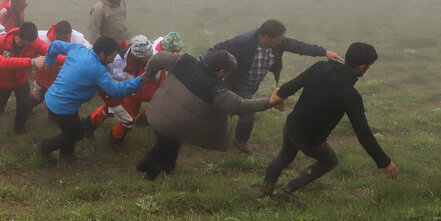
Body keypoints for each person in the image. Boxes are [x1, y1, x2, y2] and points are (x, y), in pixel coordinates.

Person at [259, 42, 399, 203]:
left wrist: (279, 96)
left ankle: (265, 190)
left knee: (285, 155)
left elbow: (292, 85)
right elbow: (363, 134)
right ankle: (287, 190)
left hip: (292, 125)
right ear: (361, 67)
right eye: (368, 66)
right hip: (311, 140)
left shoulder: (320, 67)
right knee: (329, 160)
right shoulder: (351, 96)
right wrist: (385, 162)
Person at [137, 50, 283, 181]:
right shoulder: (217, 89)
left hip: (157, 113)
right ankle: (152, 176)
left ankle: (144, 165)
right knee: (169, 149)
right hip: (176, 127)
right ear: (221, 72)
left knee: (165, 142)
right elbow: (240, 105)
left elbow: (159, 57)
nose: (227, 76)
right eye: (228, 73)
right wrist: (270, 102)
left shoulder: (184, 60)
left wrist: (148, 74)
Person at [203, 19, 342, 153]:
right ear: (264, 36)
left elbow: (298, 46)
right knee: (247, 114)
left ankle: (212, 130)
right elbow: (218, 48)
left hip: (252, 84)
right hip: (238, 83)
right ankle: (240, 140)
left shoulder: (278, 42)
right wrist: (203, 65)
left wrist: (324, 52)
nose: (280, 42)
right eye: (278, 38)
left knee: (229, 110)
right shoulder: (243, 42)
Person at [35, 36, 144, 164]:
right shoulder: (97, 70)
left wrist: (49, 61)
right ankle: (44, 147)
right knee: (77, 134)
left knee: (71, 130)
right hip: (62, 107)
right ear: (102, 54)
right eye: (112, 56)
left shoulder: (79, 49)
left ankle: (67, 155)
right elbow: (115, 91)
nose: (113, 60)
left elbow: (56, 45)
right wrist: (140, 80)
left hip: (55, 98)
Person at [87, 35, 159, 152]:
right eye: (145, 58)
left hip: (129, 87)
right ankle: (115, 140)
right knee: (128, 118)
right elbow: (100, 73)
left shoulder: (149, 55)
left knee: (123, 110)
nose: (148, 60)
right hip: (110, 87)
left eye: (149, 57)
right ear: (135, 55)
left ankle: (88, 125)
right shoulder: (115, 59)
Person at [0, 22, 48, 134]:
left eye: (34, 41)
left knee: (24, 105)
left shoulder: (33, 42)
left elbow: (48, 50)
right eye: (30, 41)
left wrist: (55, 59)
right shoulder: (2, 42)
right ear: (21, 38)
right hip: (2, 80)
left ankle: (19, 128)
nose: (33, 43)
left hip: (21, 79)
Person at [32, 20, 91, 108]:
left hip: (64, 75)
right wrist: (34, 61)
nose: (66, 41)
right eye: (64, 38)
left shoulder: (78, 38)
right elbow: (29, 46)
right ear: (57, 34)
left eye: (68, 38)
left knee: (60, 99)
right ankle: (25, 111)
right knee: (37, 96)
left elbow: (90, 51)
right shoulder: (42, 37)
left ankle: (53, 115)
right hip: (45, 75)